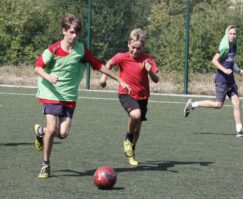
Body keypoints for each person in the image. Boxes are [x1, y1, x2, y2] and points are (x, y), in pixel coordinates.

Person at [33, 13, 129, 178]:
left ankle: (40, 131)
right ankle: (46, 165)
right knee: (53, 128)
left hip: (69, 95)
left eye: (77, 32)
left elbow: (98, 64)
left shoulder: (81, 50)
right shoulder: (54, 49)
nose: (75, 35)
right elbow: (37, 67)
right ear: (63, 31)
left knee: (63, 134)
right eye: (71, 32)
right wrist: (48, 77)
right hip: (50, 91)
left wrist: (120, 80)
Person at [99, 28, 159, 166]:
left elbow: (156, 80)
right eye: (133, 48)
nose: (135, 51)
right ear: (128, 44)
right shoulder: (121, 56)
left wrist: (150, 71)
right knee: (136, 115)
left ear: (143, 47)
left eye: (139, 49)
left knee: (138, 128)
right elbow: (108, 64)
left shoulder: (147, 59)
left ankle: (131, 151)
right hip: (126, 93)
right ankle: (127, 139)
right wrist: (103, 78)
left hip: (143, 96)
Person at [183, 25, 243, 138]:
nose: (232, 36)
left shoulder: (234, 47)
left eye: (234, 34)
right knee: (218, 105)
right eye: (230, 33)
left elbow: (232, 62)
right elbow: (214, 61)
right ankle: (193, 104)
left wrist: (238, 70)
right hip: (221, 81)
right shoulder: (224, 49)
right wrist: (224, 70)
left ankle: (239, 130)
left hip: (231, 81)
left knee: (237, 103)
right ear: (227, 35)